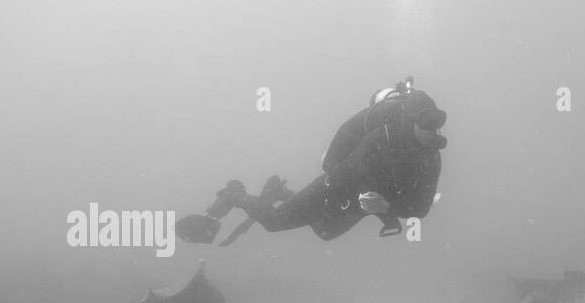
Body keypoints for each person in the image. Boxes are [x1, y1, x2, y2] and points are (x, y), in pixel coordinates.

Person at [176, 78, 446, 244]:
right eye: (427, 126)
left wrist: (386, 206)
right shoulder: (382, 138)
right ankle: (236, 193)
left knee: (323, 232)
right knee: (273, 222)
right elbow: (352, 168)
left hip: (359, 205)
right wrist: (382, 205)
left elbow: (421, 209)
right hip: (334, 188)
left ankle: (281, 191)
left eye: (437, 126)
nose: (434, 133)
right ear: (410, 122)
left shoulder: (431, 158)